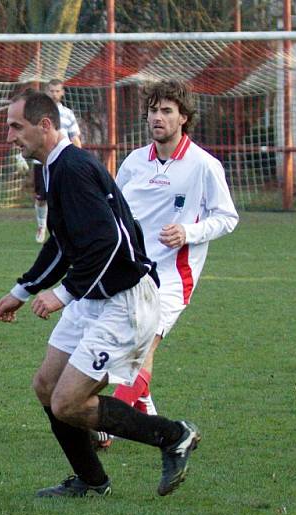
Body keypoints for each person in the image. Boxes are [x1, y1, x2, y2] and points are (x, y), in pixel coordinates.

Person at [0, 89, 200, 498]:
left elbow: (106, 243)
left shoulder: (71, 168)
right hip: (96, 296)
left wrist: (62, 294)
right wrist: (23, 289)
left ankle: (172, 434)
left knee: (69, 401)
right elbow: (62, 241)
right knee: (46, 387)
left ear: (45, 126)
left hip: (124, 301)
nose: (10, 137)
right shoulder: (56, 166)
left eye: (16, 127)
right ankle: (92, 482)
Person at [109, 79, 238, 418]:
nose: (158, 117)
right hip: (133, 271)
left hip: (173, 276)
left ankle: (111, 420)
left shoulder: (203, 165)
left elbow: (227, 217)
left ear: (183, 117)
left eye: (167, 111)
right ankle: (148, 414)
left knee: (145, 344)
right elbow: (115, 212)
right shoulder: (134, 162)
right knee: (129, 347)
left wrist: (188, 231)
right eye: (153, 111)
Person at [32, 78, 82, 243]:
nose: (54, 94)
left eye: (57, 91)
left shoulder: (68, 114)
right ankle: (41, 226)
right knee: (42, 197)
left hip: (63, 162)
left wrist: (79, 158)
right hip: (42, 162)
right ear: (47, 92)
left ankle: (63, 229)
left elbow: (74, 137)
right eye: (51, 91)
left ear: (62, 92)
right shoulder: (38, 114)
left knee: (64, 196)